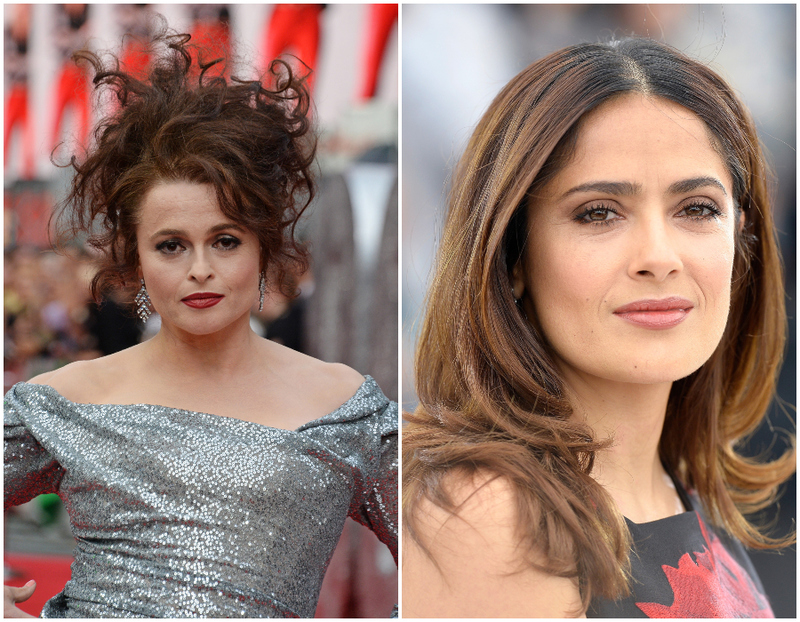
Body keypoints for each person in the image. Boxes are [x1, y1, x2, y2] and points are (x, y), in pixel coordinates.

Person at [4, 27, 397, 618]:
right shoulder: (64, 403)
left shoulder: (345, 409)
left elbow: (456, 553)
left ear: (263, 248)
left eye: (225, 240)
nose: (201, 270)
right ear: (135, 259)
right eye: (170, 246)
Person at [402, 37, 794, 618]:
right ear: (512, 259)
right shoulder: (489, 514)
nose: (658, 256)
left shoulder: (680, 489)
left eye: (697, 209)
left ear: (740, 243)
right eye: (599, 212)